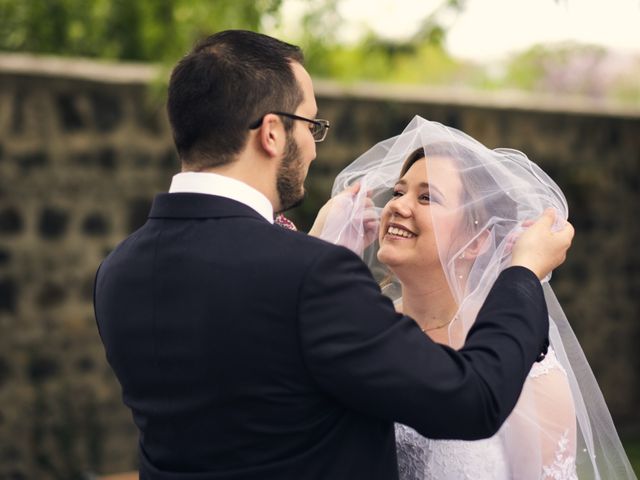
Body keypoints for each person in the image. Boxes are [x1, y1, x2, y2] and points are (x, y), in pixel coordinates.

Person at [93, 30, 574, 480]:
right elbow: (473, 401)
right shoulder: (310, 274)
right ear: (273, 134)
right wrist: (523, 273)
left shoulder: (117, 272)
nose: (314, 148)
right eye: (311, 125)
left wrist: (312, 247)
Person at [318, 116, 636, 479]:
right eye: (398, 192)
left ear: (478, 240)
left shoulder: (524, 364)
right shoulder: (366, 325)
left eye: (426, 197)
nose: (399, 206)